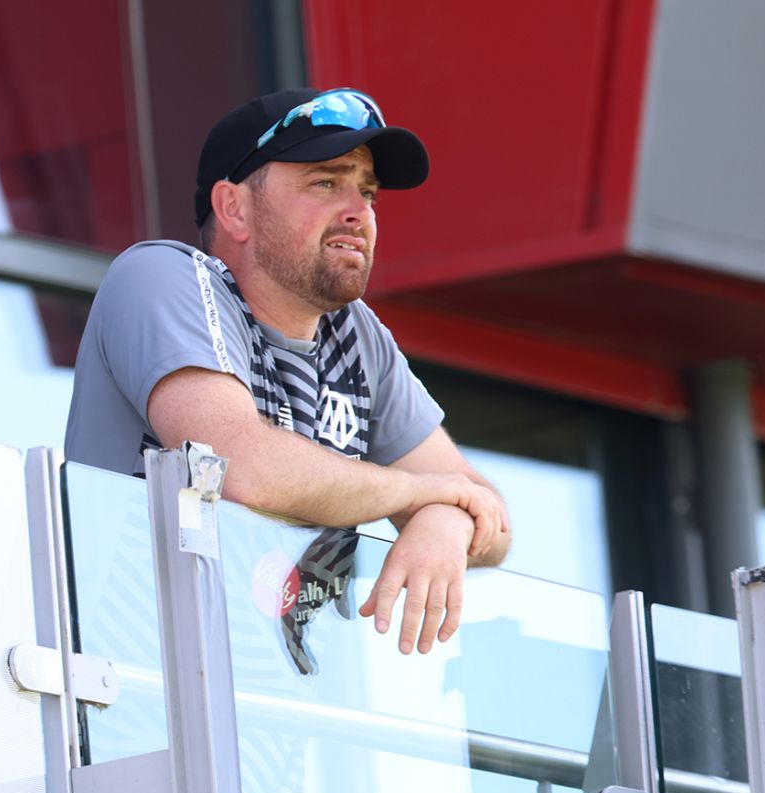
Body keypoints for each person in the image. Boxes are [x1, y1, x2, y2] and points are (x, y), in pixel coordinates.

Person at [65, 87, 510, 659]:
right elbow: (241, 469)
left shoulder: (356, 334)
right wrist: (421, 494)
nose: (358, 213)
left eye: (367, 192)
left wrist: (444, 521)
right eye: (325, 183)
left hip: (282, 706)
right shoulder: (160, 277)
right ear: (235, 209)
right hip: (133, 692)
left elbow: (491, 521)